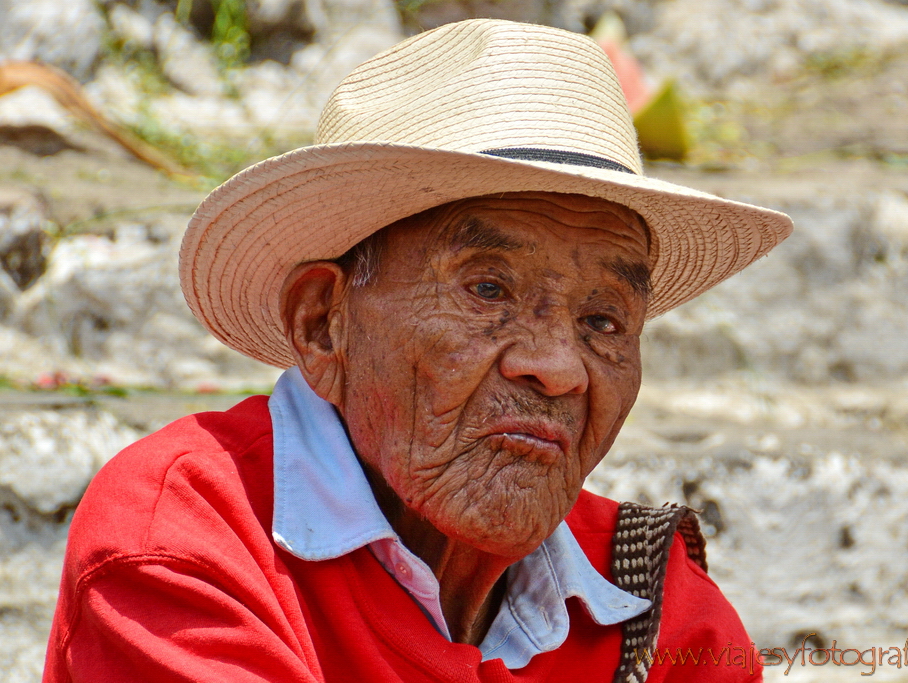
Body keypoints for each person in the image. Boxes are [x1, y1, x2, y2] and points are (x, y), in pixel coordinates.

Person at [43, 18, 792, 683]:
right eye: (488, 290)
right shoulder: (185, 538)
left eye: (603, 320)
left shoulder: (654, 609)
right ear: (322, 323)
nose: (558, 367)